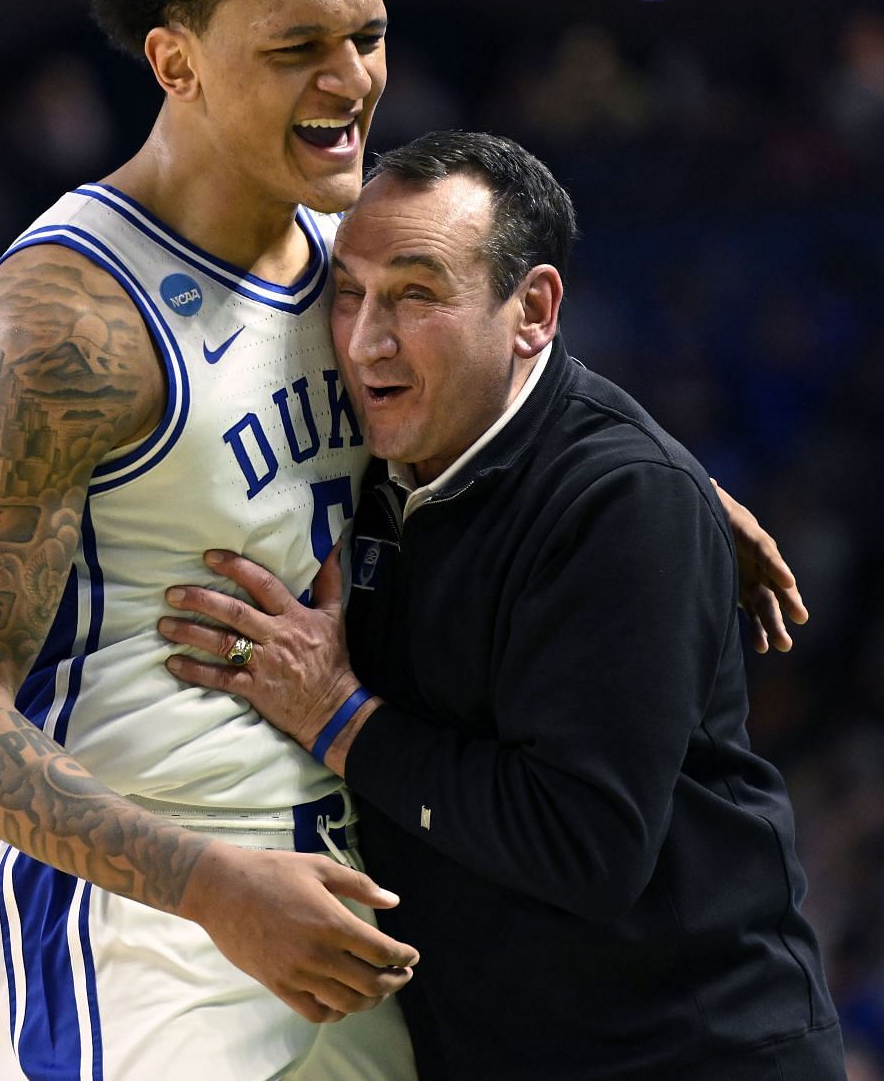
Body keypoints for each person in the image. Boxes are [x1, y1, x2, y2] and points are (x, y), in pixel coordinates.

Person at [0, 0, 803, 1081]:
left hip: (360, 861)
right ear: (177, 61)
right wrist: (214, 885)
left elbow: (511, 367)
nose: (352, 81)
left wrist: (677, 481)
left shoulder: (350, 246)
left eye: (366, 35)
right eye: (298, 48)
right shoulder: (60, 326)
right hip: (152, 913)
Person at [161, 131, 846, 1079]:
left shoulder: (624, 504)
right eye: (349, 293)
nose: (366, 340)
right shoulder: (370, 455)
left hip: (689, 1052)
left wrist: (337, 716)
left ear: (533, 309)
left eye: (415, 293)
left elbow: (583, 847)